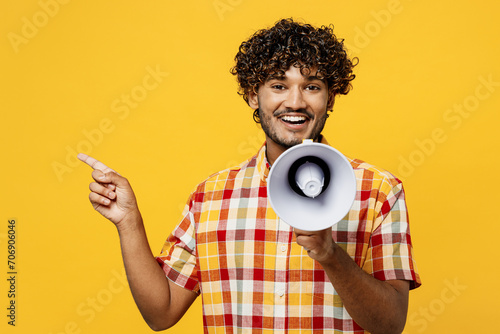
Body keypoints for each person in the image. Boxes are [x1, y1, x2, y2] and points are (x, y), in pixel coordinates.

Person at [79, 18, 421, 333]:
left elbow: (390, 324)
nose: (295, 101)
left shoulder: (378, 190)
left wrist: (330, 254)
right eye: (278, 85)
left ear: (331, 98)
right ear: (251, 95)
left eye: (312, 86)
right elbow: (162, 312)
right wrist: (129, 223)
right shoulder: (210, 196)